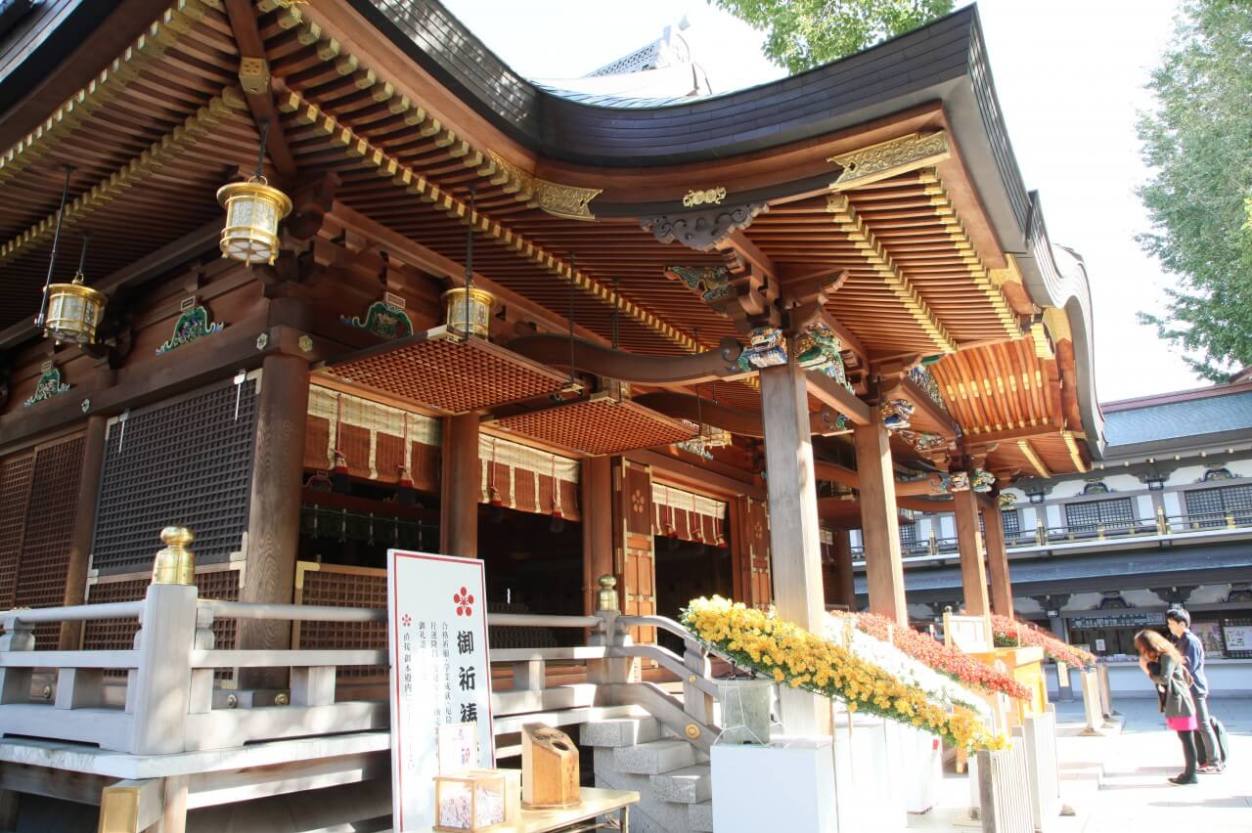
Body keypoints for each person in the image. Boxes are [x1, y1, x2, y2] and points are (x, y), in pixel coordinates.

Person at [1135, 628, 1198, 785]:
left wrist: (1147, 668)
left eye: (1142, 646)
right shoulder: (1167, 655)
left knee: (1186, 739)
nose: (1142, 650)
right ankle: (1190, 774)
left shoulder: (1167, 656)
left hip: (1180, 702)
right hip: (1179, 700)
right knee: (1185, 738)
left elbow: (1163, 679)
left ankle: (1190, 775)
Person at [1166, 607, 1222, 772]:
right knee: (1196, 725)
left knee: (1203, 724)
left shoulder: (1190, 640)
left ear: (1182, 624)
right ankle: (1204, 759)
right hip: (1188, 688)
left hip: (1194, 688)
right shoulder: (1180, 640)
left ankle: (1214, 762)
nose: (1169, 626)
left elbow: (1188, 665)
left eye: (1171, 623)